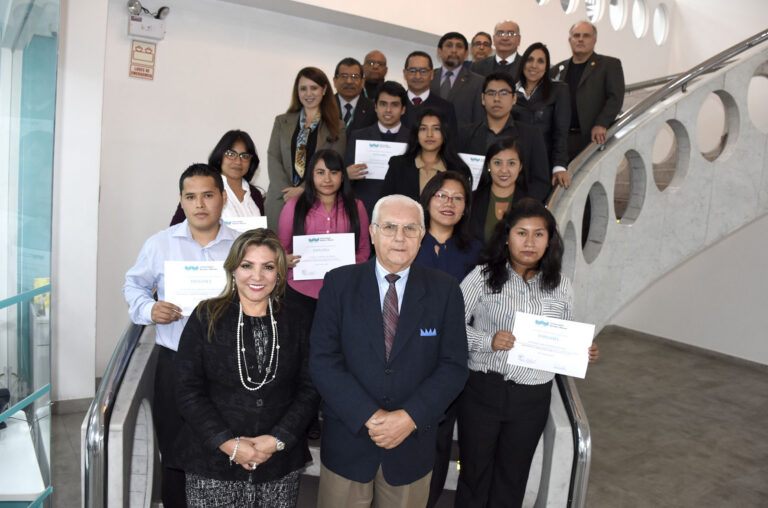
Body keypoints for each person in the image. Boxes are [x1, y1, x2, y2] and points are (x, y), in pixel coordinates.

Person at [309, 194, 469, 508]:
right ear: (371, 232)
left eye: (410, 229)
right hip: (349, 439)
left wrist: (409, 418)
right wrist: (370, 416)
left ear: (422, 236)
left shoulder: (446, 290)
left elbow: (453, 366)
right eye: (390, 227)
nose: (399, 237)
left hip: (411, 444)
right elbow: (324, 360)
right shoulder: (339, 284)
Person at [455, 198, 599, 508]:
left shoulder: (561, 286)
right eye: (522, 233)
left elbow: (564, 336)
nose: (530, 242)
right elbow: (449, 327)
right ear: (507, 237)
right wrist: (487, 340)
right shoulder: (481, 277)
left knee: (513, 477)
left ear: (550, 240)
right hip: (483, 391)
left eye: (539, 234)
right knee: (474, 475)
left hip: (531, 398)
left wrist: (581, 350)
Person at [174, 228, 320, 507]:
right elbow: (187, 389)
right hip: (213, 461)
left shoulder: (298, 319)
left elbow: (310, 388)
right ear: (233, 269)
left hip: (278, 462)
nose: (257, 276)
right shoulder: (206, 315)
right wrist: (228, 444)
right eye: (247, 265)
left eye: (267, 267)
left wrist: (277, 440)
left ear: (278, 273)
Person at [123, 164, 239, 507]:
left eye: (207, 195)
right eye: (191, 197)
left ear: (222, 198)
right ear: (181, 201)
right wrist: (149, 310)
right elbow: (134, 286)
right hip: (175, 362)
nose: (199, 204)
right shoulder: (160, 244)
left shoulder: (241, 245)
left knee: (227, 442)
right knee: (174, 446)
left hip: (229, 363)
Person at [416, 171, 482, 508]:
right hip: (408, 358)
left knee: (442, 441)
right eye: (441, 195)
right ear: (427, 199)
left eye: (458, 198)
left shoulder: (477, 251)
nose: (449, 203)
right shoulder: (407, 240)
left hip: (455, 359)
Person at [277, 149, 370, 322]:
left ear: (343, 176)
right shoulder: (294, 206)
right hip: (300, 290)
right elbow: (281, 248)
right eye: (320, 172)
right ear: (311, 176)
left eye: (333, 172)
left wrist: (349, 265)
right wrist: (284, 259)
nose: (327, 179)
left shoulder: (356, 207)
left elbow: (364, 250)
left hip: (344, 290)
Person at [265, 67, 346, 230]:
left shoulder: (337, 127)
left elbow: (333, 165)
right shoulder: (282, 121)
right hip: (280, 198)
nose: (308, 93)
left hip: (316, 199)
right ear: (297, 92)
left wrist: (302, 190)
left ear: (324, 90)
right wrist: (287, 192)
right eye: (303, 88)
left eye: (314, 88)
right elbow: (273, 156)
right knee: (279, 251)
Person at [459, 72, 551, 201]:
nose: (496, 98)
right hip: (474, 208)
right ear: (483, 99)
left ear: (514, 98)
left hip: (517, 210)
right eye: (491, 93)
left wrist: (521, 209)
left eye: (503, 93)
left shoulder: (531, 135)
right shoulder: (465, 134)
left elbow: (541, 182)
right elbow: (457, 176)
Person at [551, 21, 625, 161]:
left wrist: (601, 123)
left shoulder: (609, 65)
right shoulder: (557, 69)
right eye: (576, 35)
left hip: (591, 138)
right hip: (561, 140)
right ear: (569, 40)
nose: (580, 39)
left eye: (586, 36)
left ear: (594, 40)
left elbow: (615, 98)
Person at [345, 80, 411, 218]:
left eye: (394, 105)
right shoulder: (357, 136)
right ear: (375, 107)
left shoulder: (413, 139)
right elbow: (344, 177)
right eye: (383, 104)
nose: (388, 110)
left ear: (403, 109)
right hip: (364, 211)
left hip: (401, 211)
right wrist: (347, 174)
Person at [170, 130, 264, 225]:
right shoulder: (204, 188)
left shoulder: (255, 194)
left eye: (244, 156)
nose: (238, 161)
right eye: (231, 154)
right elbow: (175, 229)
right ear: (220, 156)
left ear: (251, 161)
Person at [381, 107, 472, 202]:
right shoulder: (398, 165)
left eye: (436, 128)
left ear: (444, 133)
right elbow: (384, 203)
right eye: (423, 128)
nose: (429, 134)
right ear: (416, 133)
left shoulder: (458, 170)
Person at [513, 42, 572, 189]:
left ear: (546, 67)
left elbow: (561, 132)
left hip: (542, 163)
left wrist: (559, 165)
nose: (534, 65)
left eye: (540, 61)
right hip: (513, 163)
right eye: (530, 59)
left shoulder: (558, 90)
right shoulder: (510, 90)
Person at [470, 138, 532, 244]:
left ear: (520, 166)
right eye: (497, 163)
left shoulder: (531, 206)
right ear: (489, 165)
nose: (504, 170)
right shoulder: (472, 199)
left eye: (511, 163)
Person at [430, 31, 485, 126]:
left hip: (462, 139)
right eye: (449, 45)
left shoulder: (478, 82)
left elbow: (478, 120)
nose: (454, 50)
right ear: (439, 51)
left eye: (459, 46)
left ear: (466, 53)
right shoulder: (428, 77)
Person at [400, 51, 458, 137]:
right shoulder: (395, 104)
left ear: (431, 74)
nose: (418, 76)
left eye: (423, 71)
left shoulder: (446, 108)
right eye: (412, 71)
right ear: (405, 74)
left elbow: (450, 144)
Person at [334, 57, 377, 137]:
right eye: (344, 76)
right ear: (335, 81)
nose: (349, 81)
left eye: (354, 76)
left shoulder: (373, 109)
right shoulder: (324, 105)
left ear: (362, 82)